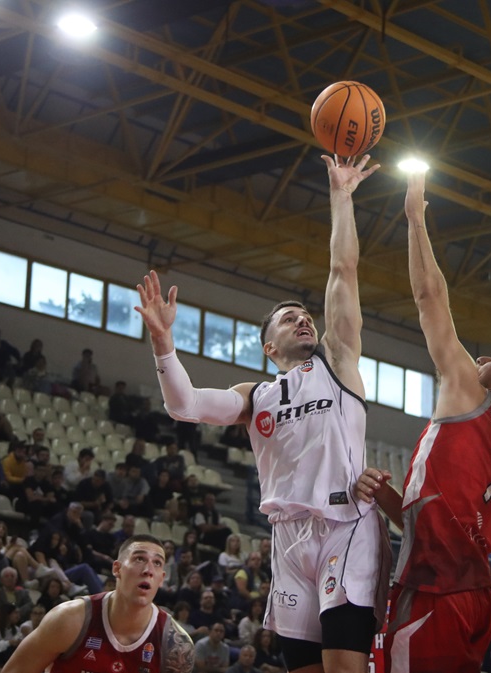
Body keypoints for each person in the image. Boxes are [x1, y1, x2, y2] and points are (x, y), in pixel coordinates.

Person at [137, 154, 385, 673]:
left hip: (345, 526)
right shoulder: (258, 396)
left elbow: (343, 271)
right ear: (269, 348)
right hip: (287, 539)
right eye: (288, 319)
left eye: (305, 316)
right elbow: (184, 404)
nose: (302, 321)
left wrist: (342, 197)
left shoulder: (338, 365)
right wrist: (163, 344)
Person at [354, 171, 491, 672]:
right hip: (467, 590)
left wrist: (415, 219)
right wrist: (388, 497)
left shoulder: (469, 393)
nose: (485, 356)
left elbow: (429, 298)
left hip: (438, 590)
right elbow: (443, 519)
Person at [0, 534, 195, 673]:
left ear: (161, 579)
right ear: (117, 569)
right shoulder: (69, 619)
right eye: (139, 559)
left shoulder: (176, 645)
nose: (148, 570)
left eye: (157, 563)